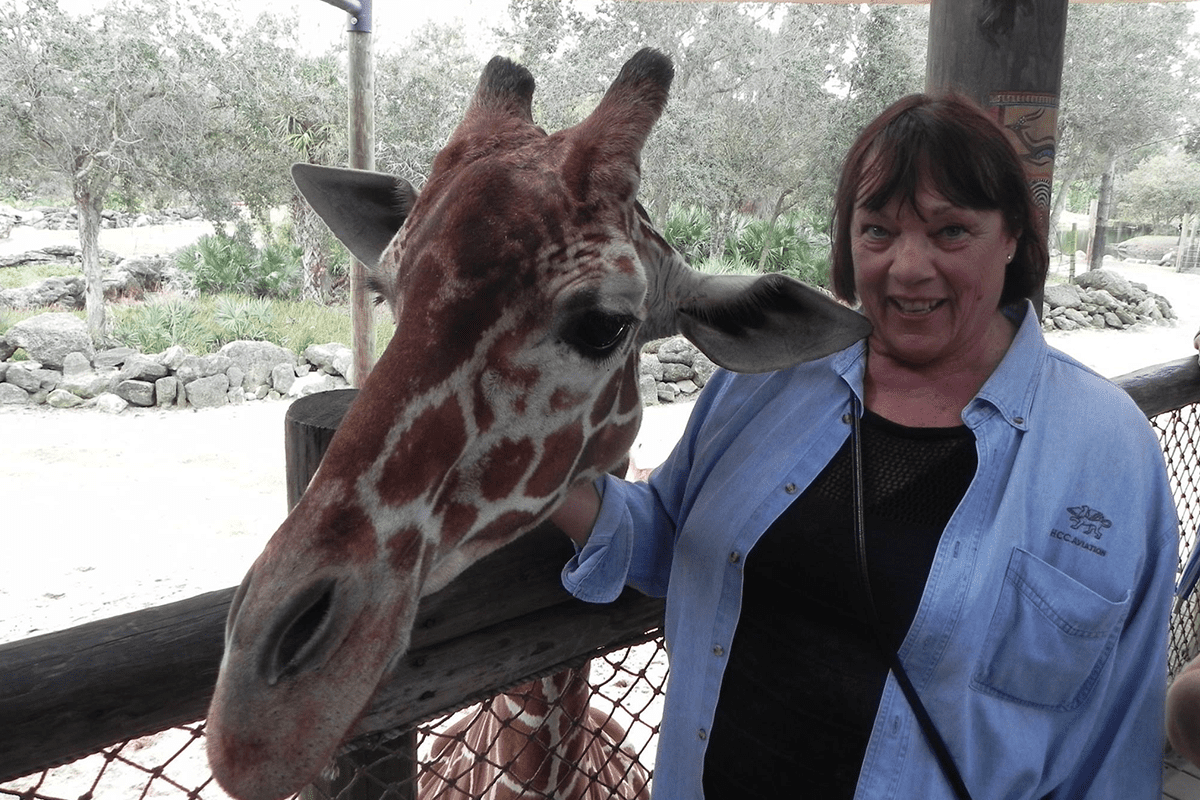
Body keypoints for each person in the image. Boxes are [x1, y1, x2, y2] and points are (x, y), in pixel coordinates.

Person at [551, 93, 1178, 799]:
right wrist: (539, 478)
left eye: (950, 232)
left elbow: (1117, 739)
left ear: (1011, 237)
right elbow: (669, 538)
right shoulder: (769, 374)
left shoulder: (1107, 450)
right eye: (878, 231)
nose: (908, 268)